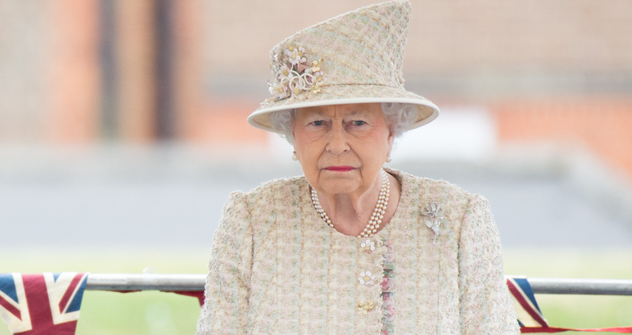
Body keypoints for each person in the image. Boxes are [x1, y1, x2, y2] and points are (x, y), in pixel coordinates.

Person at [195, 1, 520, 334]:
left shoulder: (459, 219)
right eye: (317, 122)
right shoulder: (252, 220)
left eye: (358, 122)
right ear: (292, 134)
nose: (337, 144)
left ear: (392, 131)